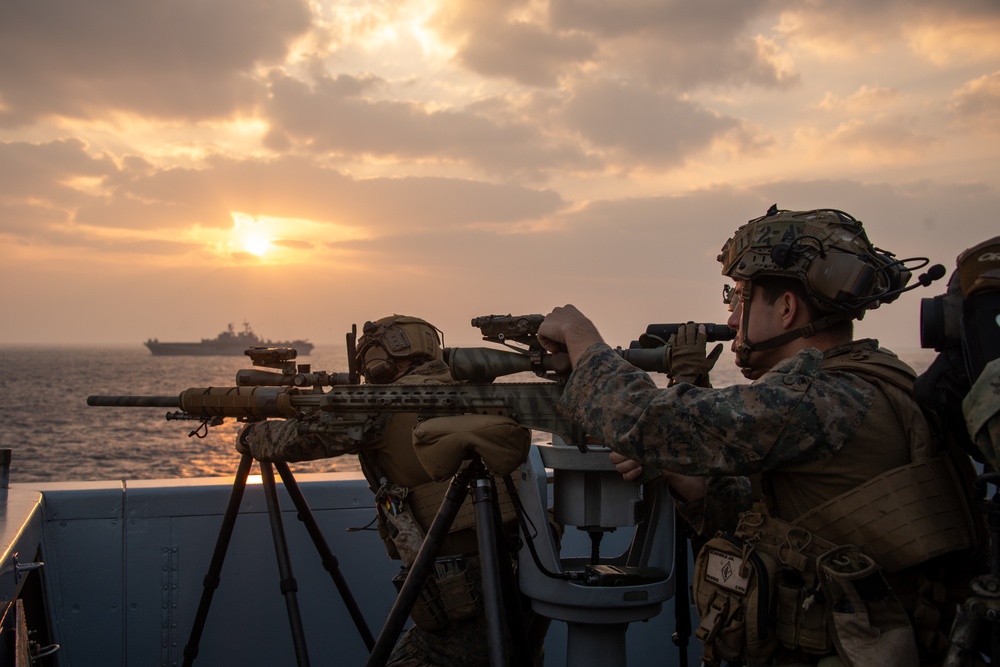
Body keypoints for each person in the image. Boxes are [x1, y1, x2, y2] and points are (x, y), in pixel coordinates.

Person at [537, 206, 984, 666]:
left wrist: (582, 339)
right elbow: (799, 529)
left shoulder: (821, 396)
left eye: (739, 299)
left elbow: (645, 417)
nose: (731, 319)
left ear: (787, 309)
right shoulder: (869, 378)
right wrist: (693, 483)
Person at [237, 314, 547, 667]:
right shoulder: (476, 391)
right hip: (525, 579)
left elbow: (300, 440)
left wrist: (251, 436)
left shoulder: (383, 404)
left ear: (379, 359)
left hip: (466, 595)